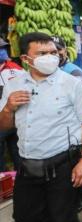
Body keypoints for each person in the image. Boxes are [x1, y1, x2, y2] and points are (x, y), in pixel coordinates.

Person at [0, 32, 82, 222]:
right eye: (42, 53)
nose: (50, 57)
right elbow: (4, 126)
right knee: (24, 215)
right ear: (26, 58)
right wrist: (8, 108)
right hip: (28, 164)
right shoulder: (13, 85)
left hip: (63, 163)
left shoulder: (71, 84)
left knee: (62, 217)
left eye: (53, 52)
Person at [51, 36, 82, 212]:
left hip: (73, 129)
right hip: (55, 131)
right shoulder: (46, 72)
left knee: (76, 166)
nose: (55, 54)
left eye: (58, 50)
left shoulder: (74, 72)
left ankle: (81, 196)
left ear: (65, 50)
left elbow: (81, 108)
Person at [0, 37, 23, 172]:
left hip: (15, 119)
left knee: (19, 156)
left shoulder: (16, 69)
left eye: (3, 48)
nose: (2, 51)